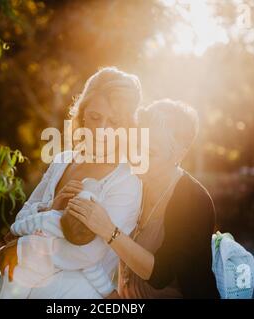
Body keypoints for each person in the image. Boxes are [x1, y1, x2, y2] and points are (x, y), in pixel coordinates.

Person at [0, 67, 143, 298]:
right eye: (95, 117)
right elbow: (21, 219)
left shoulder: (126, 181)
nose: (102, 130)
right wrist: (51, 209)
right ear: (82, 114)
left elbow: (87, 253)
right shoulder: (63, 161)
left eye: (114, 122)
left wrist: (23, 248)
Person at [67, 99, 220, 298]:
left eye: (150, 152)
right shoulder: (131, 182)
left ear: (178, 155)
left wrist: (108, 231)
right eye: (137, 145)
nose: (138, 157)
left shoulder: (194, 200)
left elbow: (160, 275)